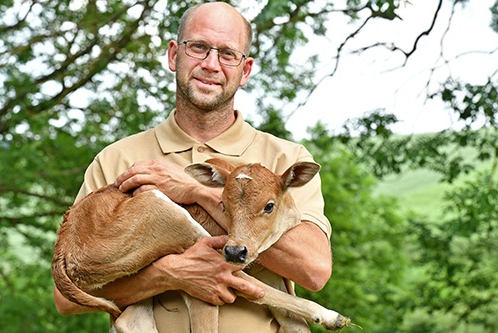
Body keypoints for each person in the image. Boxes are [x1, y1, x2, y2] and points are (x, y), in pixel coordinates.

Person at [53, 2, 332, 332]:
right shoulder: (118, 159)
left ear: (245, 70)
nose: (211, 64)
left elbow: (314, 271)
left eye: (228, 53)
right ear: (174, 55)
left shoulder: (284, 159)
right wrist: (169, 274)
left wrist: (199, 192)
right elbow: (67, 296)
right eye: (198, 47)